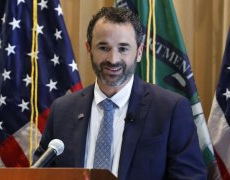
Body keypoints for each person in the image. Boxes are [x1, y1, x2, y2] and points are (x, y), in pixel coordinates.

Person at [33, 7, 207, 180]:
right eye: (103, 47)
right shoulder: (62, 110)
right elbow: (40, 175)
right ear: (89, 49)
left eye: (123, 48)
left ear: (139, 52)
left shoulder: (171, 109)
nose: (113, 59)